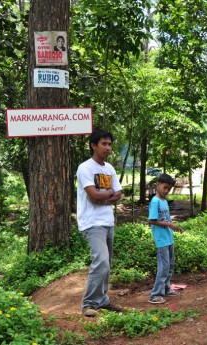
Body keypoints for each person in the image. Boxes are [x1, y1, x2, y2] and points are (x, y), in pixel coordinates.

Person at [77, 129, 123, 317]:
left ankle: (102, 300)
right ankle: (88, 303)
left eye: (110, 144)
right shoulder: (85, 168)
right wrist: (107, 194)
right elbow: (94, 196)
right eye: (103, 144)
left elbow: (119, 193)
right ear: (93, 145)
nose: (107, 147)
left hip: (107, 221)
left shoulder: (109, 168)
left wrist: (104, 196)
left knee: (107, 263)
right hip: (91, 222)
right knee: (101, 261)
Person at [148, 173, 184, 304]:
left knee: (170, 265)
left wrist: (173, 226)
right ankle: (155, 294)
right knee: (163, 267)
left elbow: (165, 218)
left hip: (168, 238)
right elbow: (151, 220)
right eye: (165, 187)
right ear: (157, 185)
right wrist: (170, 224)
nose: (167, 191)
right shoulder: (155, 201)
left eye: (169, 189)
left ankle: (166, 288)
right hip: (161, 240)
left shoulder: (164, 201)